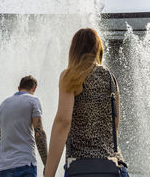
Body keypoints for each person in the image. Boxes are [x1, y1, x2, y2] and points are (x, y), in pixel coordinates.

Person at [44, 28, 129, 177]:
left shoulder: (70, 76)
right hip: (113, 167)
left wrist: (49, 173)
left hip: (81, 168)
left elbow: (63, 122)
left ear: (74, 50)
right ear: (98, 49)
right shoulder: (110, 78)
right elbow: (114, 124)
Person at [0, 75, 48, 177]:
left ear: (18, 88)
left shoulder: (4, 104)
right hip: (24, 165)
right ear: (34, 88)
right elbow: (39, 134)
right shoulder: (33, 100)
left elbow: (0, 134)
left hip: (2, 168)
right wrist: (47, 164)